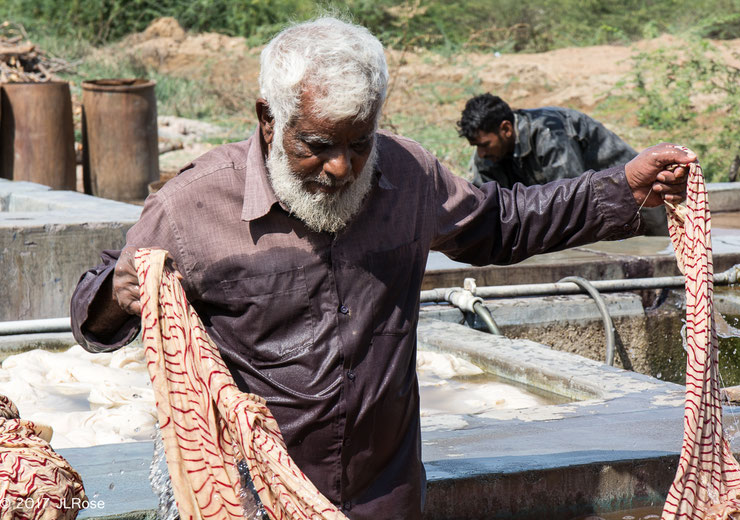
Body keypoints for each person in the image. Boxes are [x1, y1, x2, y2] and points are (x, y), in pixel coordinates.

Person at [70, 17, 693, 520]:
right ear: (268, 120)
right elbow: (95, 317)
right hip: (257, 497)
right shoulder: (192, 206)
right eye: (318, 145)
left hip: (386, 496)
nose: (342, 167)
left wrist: (623, 187)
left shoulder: (407, 175)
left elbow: (503, 224)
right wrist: (117, 296)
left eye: (359, 142)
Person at [458, 93, 668, 235]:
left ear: (506, 129)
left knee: (659, 265)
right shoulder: (486, 158)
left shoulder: (550, 134)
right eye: (476, 146)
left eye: (485, 145)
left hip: (635, 200)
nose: (481, 153)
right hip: (593, 214)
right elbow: (487, 209)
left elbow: (573, 203)